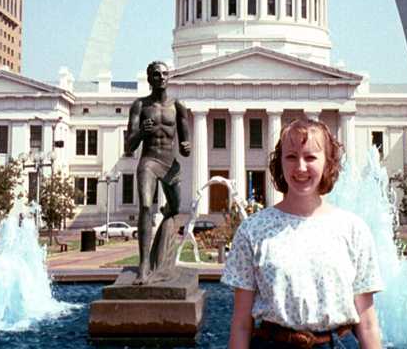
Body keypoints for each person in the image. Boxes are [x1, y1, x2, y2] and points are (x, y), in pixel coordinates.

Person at [223, 119, 384, 349]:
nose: (300, 167)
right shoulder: (252, 230)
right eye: (291, 157)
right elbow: (241, 325)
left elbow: (367, 324)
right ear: (280, 163)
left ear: (328, 164)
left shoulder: (353, 229)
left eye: (310, 157)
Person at [124, 60, 191, 284]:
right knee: (144, 205)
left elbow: (185, 144)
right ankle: (144, 265)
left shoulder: (177, 107)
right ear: (149, 78)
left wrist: (186, 146)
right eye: (156, 74)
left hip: (170, 164)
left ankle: (162, 253)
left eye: (164, 74)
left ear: (168, 77)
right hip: (149, 160)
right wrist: (141, 132)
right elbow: (129, 147)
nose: (161, 77)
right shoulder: (140, 106)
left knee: (174, 209)